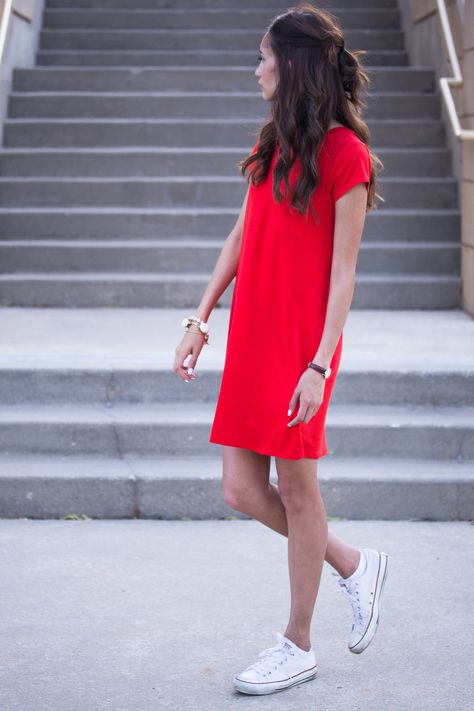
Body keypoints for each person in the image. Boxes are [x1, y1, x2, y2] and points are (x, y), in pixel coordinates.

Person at [173, 2, 388, 697]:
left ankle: (297, 641)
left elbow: (345, 272)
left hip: (301, 344)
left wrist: (320, 364)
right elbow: (240, 236)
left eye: (265, 56)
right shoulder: (273, 142)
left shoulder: (346, 156)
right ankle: (354, 562)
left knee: (297, 489)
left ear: (292, 63)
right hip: (252, 337)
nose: (257, 67)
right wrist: (199, 318)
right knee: (240, 489)